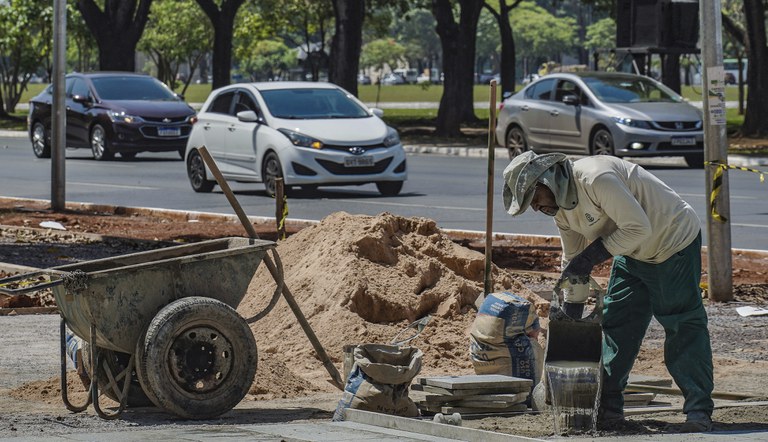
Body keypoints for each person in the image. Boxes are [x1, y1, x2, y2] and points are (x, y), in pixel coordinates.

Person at [501, 151, 714, 432]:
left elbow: (638, 227)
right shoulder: (562, 209)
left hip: (670, 242)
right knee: (617, 325)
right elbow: (574, 262)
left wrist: (588, 260)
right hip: (631, 251)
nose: (536, 208)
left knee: (680, 323)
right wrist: (572, 313)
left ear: (548, 181)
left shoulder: (596, 177)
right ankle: (609, 410)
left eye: (535, 198)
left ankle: (698, 412)